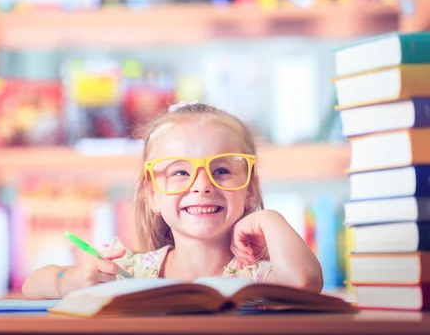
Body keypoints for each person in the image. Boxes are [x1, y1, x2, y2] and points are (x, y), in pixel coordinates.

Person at [22, 101, 323, 299]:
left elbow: (303, 283)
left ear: (250, 190)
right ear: (152, 194)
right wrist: (70, 280)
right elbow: (33, 284)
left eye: (220, 170)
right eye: (180, 172)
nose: (202, 185)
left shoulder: (259, 276)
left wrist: (270, 218)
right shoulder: (129, 271)